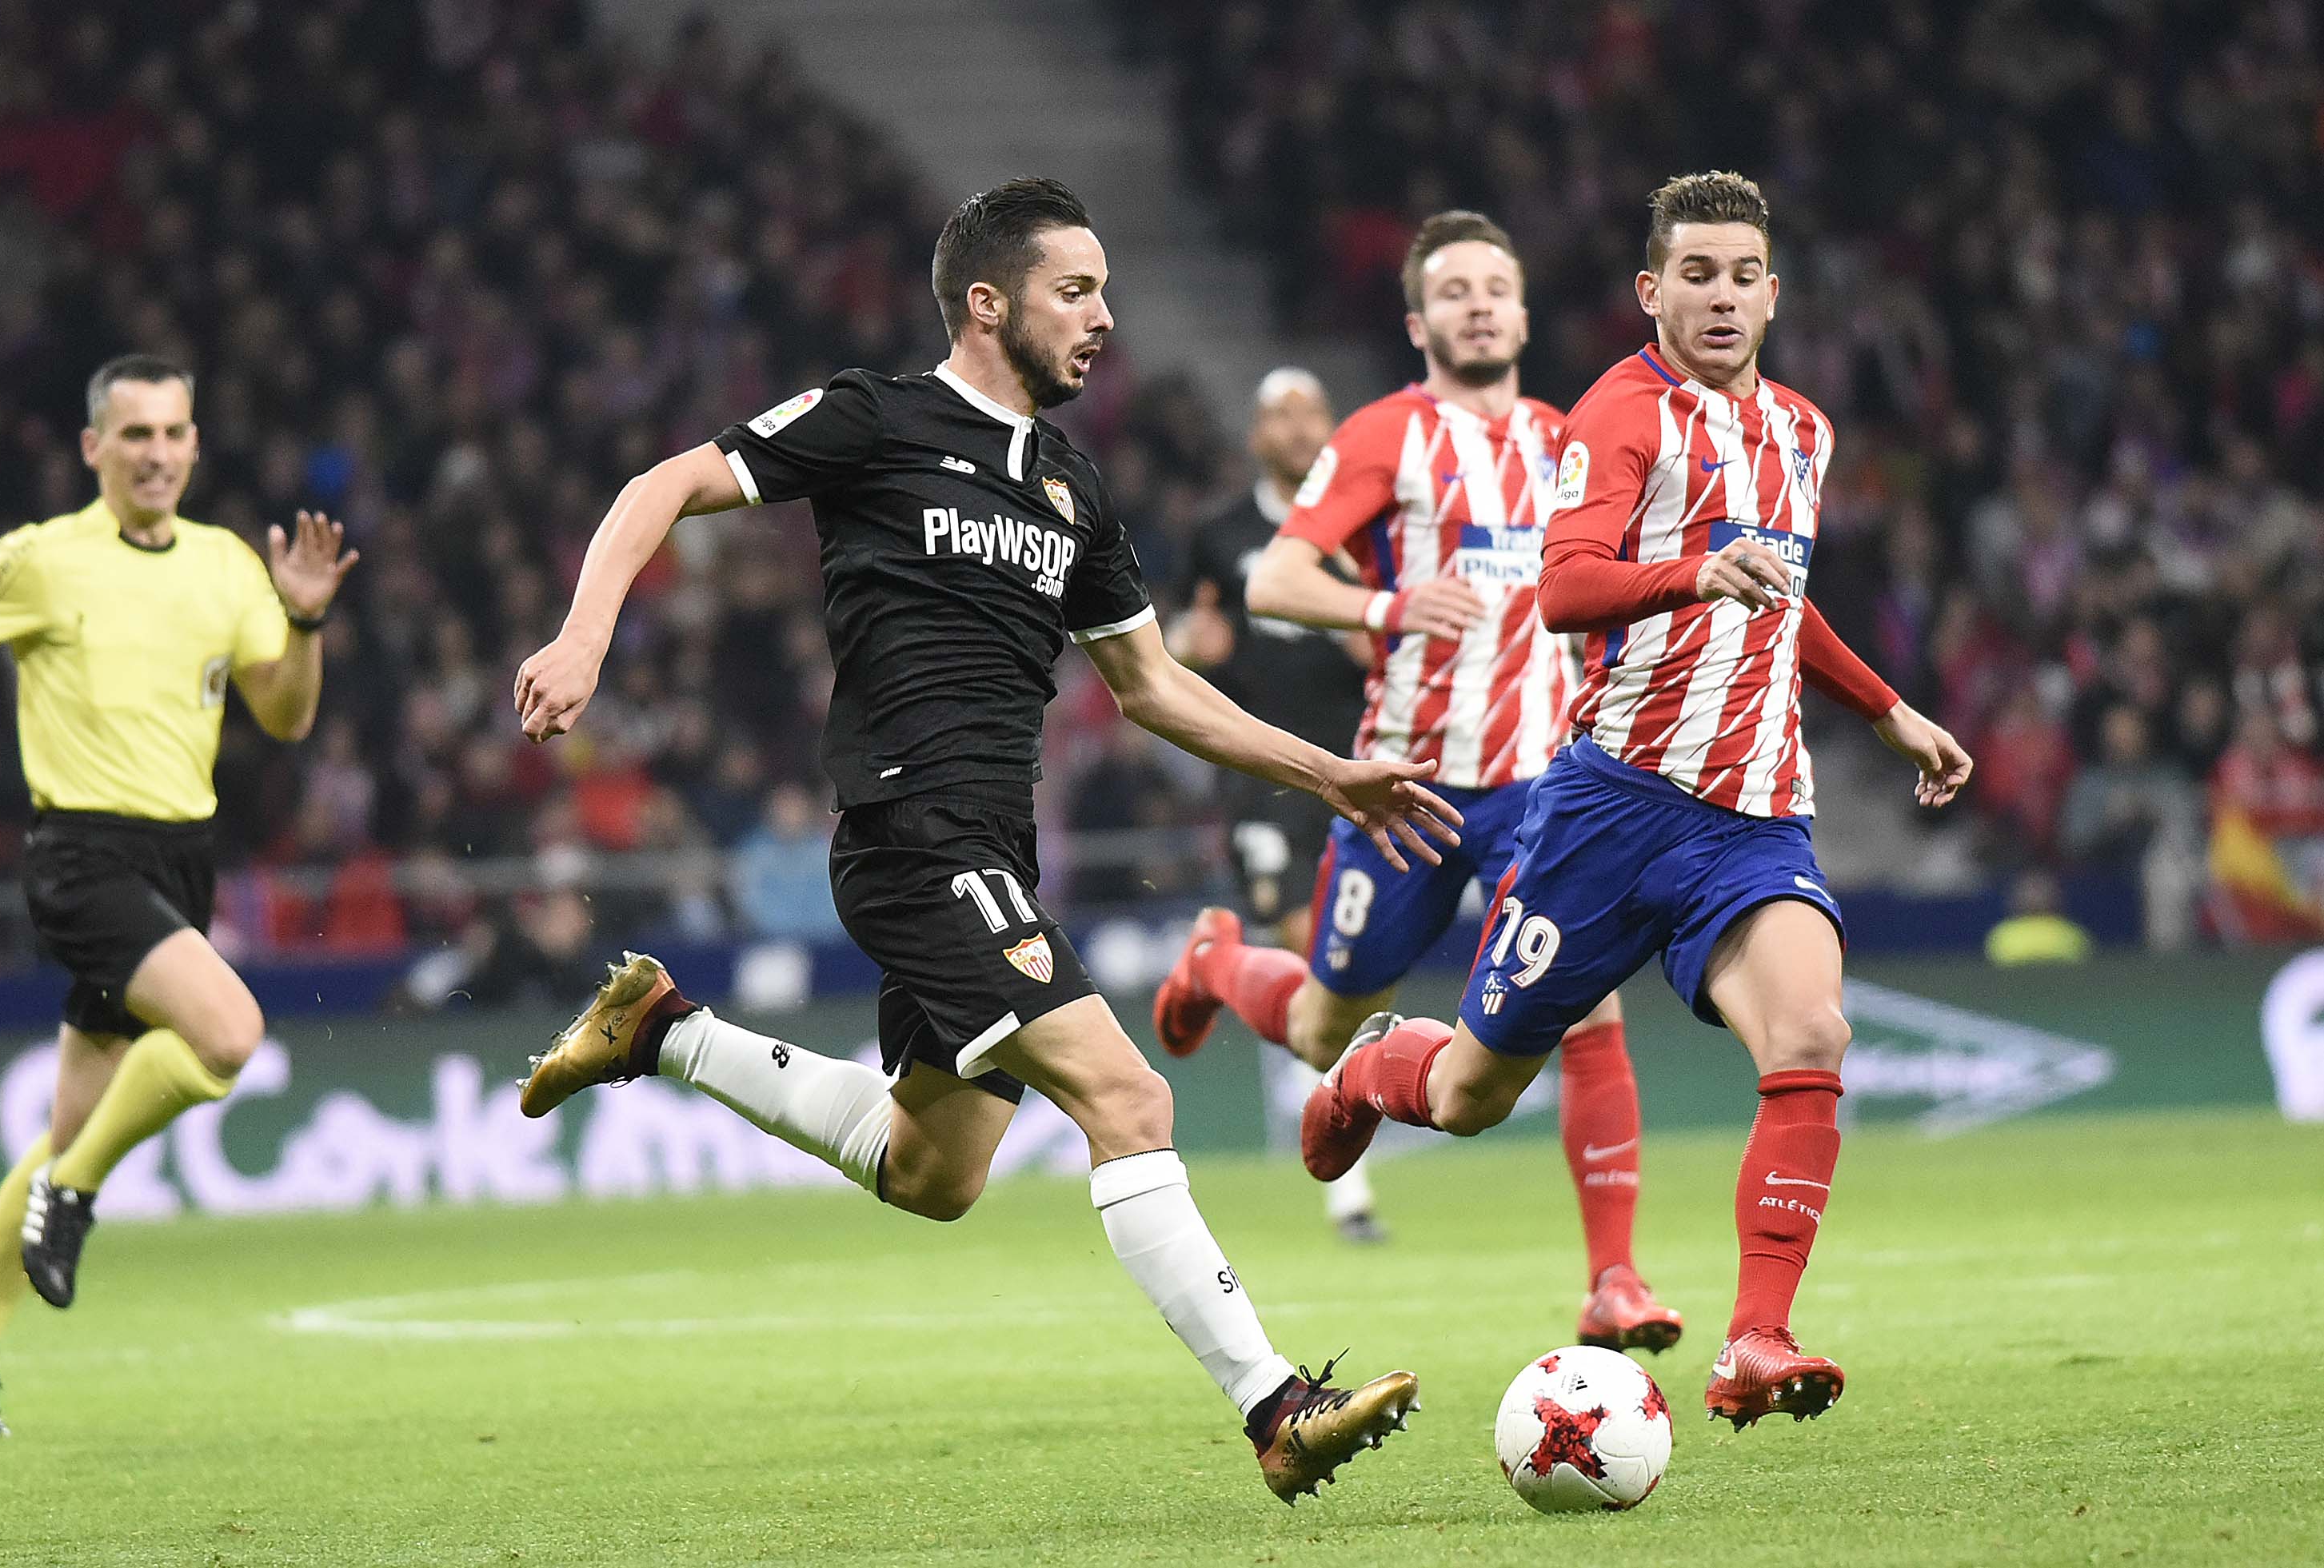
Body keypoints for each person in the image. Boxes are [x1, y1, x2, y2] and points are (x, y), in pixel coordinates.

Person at [510, 179, 1461, 1502]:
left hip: (989, 853)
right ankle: (1274, 1405)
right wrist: (585, 635)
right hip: (910, 831)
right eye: (1076, 290)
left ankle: (663, 1030)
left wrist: (1328, 773)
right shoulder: (874, 419)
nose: (1104, 318)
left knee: (933, 1170)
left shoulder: (1072, 487)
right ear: (986, 302)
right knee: (1129, 1100)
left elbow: (1151, 687)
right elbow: (662, 482)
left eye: (1107, 292)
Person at [1294, 172, 1973, 1430]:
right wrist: (1692, 572)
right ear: (1650, 292)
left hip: (1754, 812)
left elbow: (1789, 597)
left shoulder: (1804, 435)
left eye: (1743, 275)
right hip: (1608, 811)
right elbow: (1564, 590)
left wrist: (1888, 710)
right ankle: (1373, 1067)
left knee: (1812, 1035)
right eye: (1695, 276)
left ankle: (1755, 1340)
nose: (1721, 297)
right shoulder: (1617, 413)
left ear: (1773, 293)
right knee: (1470, 1100)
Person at [1152, 211, 1681, 1351]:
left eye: (1498, 286)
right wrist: (1388, 604)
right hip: (1404, 791)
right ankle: (1218, 961)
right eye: (1454, 291)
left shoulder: (1571, 441)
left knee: (1590, 1004)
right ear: (1417, 320)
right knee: (1316, 1022)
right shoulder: (1386, 434)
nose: (1479, 304)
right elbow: (1279, 580)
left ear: (1525, 314)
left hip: (1546, 790)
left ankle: (1614, 1278)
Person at [0, 355, 356, 1437]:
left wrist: (306, 623)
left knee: (64, 1132)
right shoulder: (43, 561)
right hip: (80, 857)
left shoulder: (229, 565)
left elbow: (282, 717)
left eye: (173, 432)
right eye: (132, 434)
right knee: (229, 1032)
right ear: (92, 448)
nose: (155, 453)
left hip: (181, 857)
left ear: (195, 445)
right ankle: (78, 1194)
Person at [1161, 366, 1392, 1243]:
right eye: (1278, 416)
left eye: (1310, 412)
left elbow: (1389, 643)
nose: (1296, 429)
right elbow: (1177, 641)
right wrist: (1192, 640)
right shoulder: (1220, 534)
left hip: (1361, 766)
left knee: (1352, 965)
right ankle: (1349, 1189)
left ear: (1331, 426)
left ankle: (1344, 1124)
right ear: (1255, 436)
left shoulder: (1364, 527)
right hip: (1262, 771)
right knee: (1306, 939)